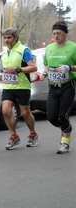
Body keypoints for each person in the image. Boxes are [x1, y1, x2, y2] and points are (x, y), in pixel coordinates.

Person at [40, 21, 76, 154]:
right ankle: (66, 128)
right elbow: (46, 65)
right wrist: (44, 73)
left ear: (65, 33)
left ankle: (65, 143)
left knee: (63, 114)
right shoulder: (49, 47)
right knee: (52, 117)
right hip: (53, 86)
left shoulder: (73, 47)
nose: (56, 36)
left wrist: (70, 68)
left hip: (68, 85)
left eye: (59, 33)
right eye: (54, 33)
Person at [0, 28, 38, 150]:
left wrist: (18, 69)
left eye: (9, 37)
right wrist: (3, 75)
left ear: (15, 38)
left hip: (22, 86)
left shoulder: (24, 50)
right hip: (8, 86)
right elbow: (7, 69)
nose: (6, 40)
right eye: (5, 38)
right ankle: (14, 136)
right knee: (6, 111)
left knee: (26, 113)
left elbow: (33, 67)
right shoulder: (5, 52)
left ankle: (33, 134)